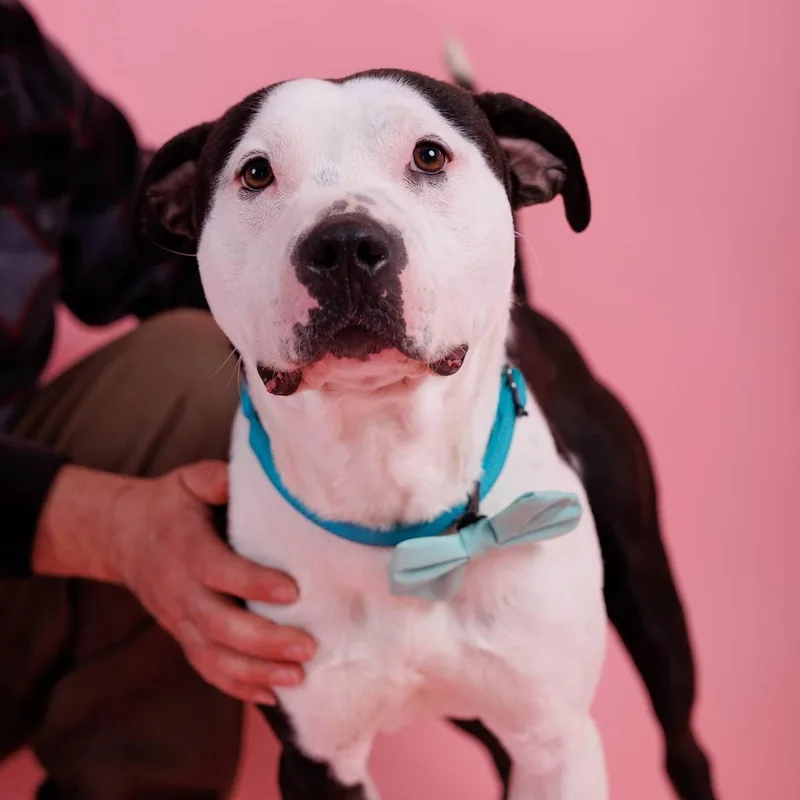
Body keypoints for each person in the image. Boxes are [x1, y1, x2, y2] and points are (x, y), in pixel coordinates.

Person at [0, 2, 315, 797]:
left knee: (193, 374)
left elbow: (162, 247)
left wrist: (375, 302)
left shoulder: (11, 60)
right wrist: (114, 528)